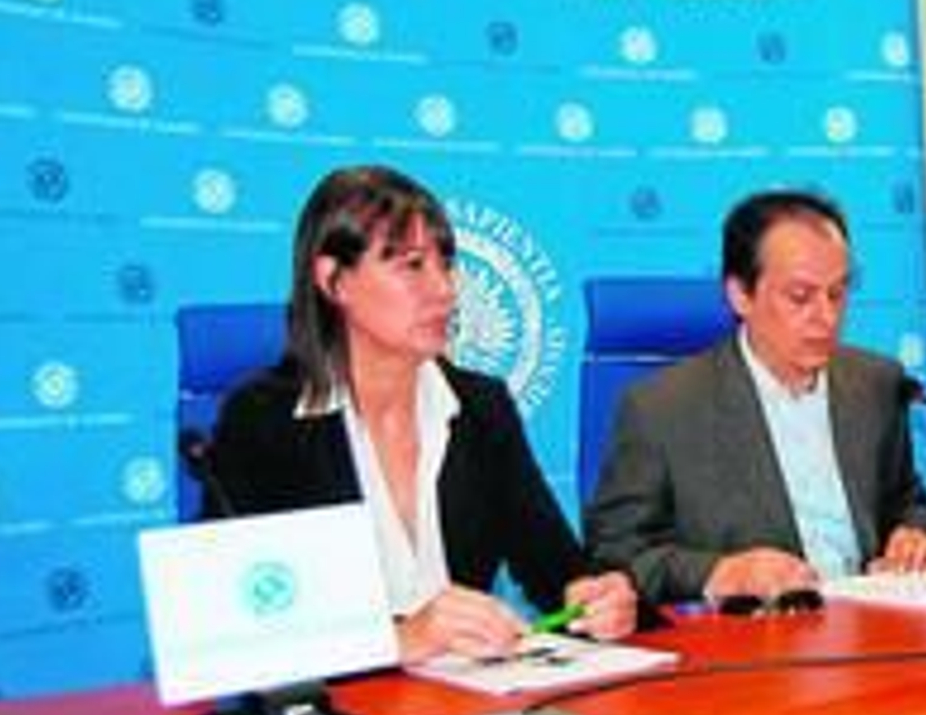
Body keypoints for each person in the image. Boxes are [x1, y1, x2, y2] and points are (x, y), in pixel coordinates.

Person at [207, 164, 637, 663]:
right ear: (333, 281)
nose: (445, 290)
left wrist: (595, 598)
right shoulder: (264, 422)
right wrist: (401, 641)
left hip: (468, 711)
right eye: (412, 265)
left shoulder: (480, 407)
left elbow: (556, 571)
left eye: (445, 264)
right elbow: (239, 629)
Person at [586, 189, 926, 605]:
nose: (826, 318)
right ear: (740, 294)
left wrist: (912, 537)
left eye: (838, 293)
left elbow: (905, 501)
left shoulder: (876, 383)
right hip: (753, 642)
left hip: (873, 628)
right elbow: (613, 556)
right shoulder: (662, 408)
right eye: (800, 297)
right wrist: (720, 573)